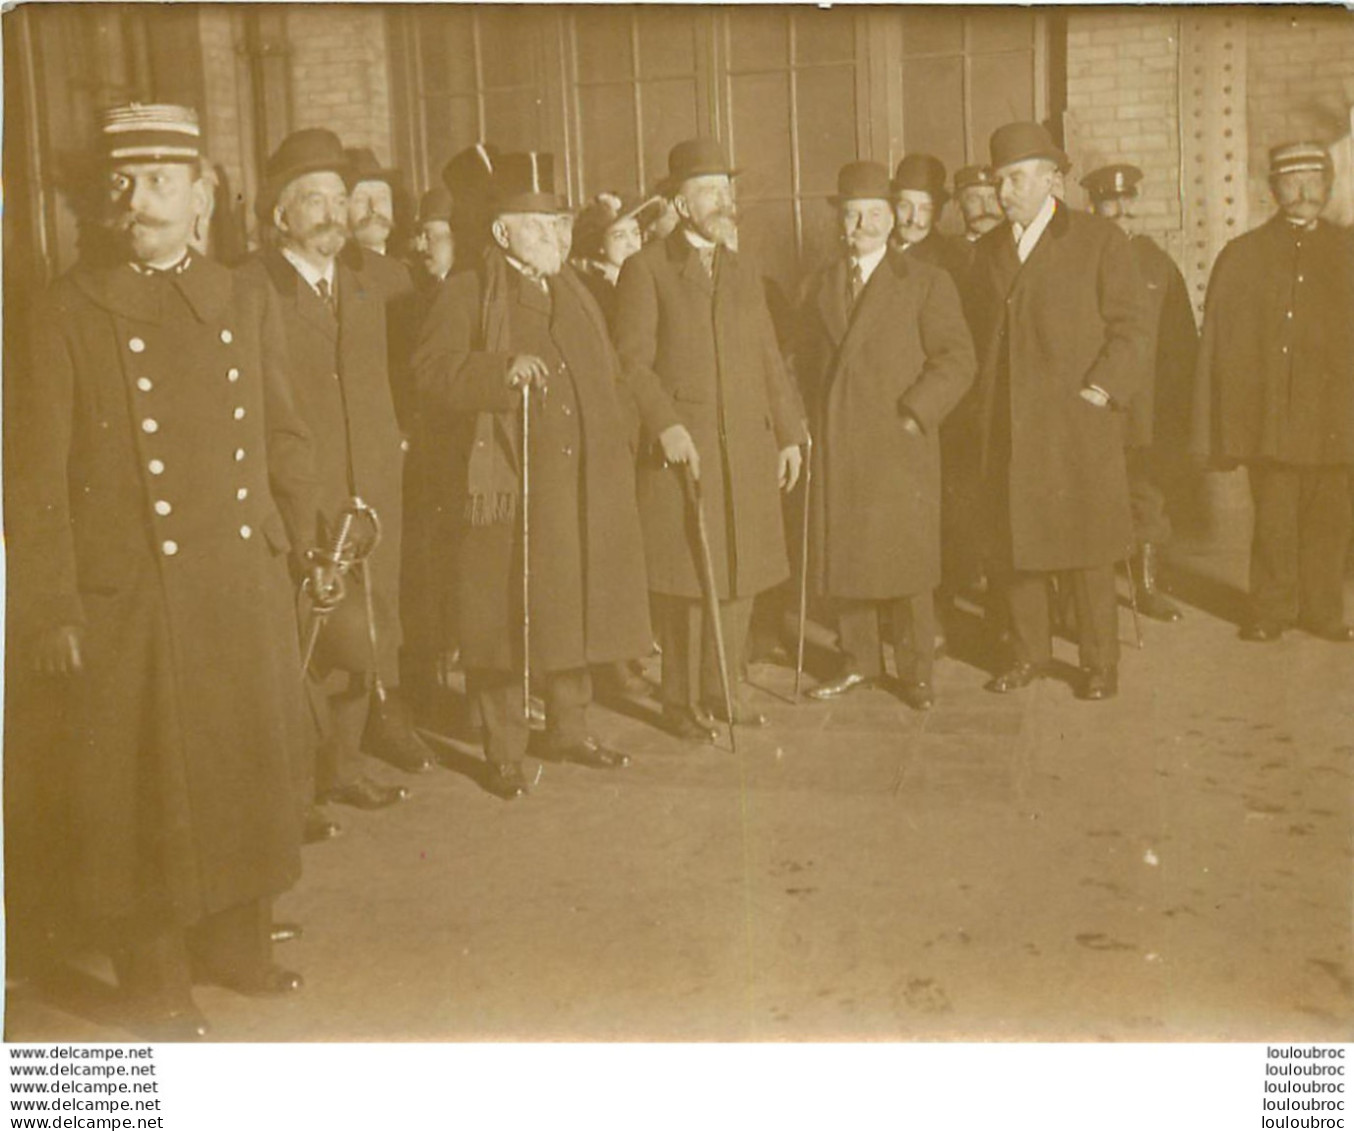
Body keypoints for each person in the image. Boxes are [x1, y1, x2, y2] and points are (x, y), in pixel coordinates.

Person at [7, 104, 316, 1039]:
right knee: (148, 784)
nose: (138, 203)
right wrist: (51, 604)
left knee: (242, 766)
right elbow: (35, 479)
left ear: (202, 196)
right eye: (125, 185)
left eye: (160, 183)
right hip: (133, 593)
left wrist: (298, 538)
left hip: (238, 580)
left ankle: (236, 942)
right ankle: (155, 971)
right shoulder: (68, 307)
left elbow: (283, 431)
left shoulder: (242, 295)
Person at [412, 152, 654, 798]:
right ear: (502, 233)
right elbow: (431, 369)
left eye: (561, 223)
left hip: (579, 485)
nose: (558, 237)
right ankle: (506, 748)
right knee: (504, 616)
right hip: (513, 486)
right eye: (541, 226)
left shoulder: (571, 289)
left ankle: (569, 727)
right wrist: (498, 372)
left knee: (570, 604)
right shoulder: (469, 290)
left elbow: (609, 373)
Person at [239, 127, 426, 820]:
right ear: (279, 214)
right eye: (312, 200)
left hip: (372, 480)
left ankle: (343, 763)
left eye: (340, 199)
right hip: (296, 485)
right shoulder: (249, 288)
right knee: (304, 624)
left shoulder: (369, 283)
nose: (331, 213)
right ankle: (295, 786)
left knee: (367, 620)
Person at [613, 137, 806, 740]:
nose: (725, 202)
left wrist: (792, 431)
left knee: (740, 572)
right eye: (709, 191)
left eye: (728, 190)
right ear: (677, 201)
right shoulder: (645, 270)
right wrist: (665, 423)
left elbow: (770, 356)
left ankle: (723, 691)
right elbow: (632, 363)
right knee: (686, 582)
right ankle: (678, 702)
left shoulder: (744, 268)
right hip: (685, 451)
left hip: (746, 447)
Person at [966, 121, 1150, 700]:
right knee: (1016, 547)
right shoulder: (989, 250)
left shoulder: (1098, 240)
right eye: (999, 182)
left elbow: (1132, 330)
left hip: (1075, 426)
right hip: (1011, 427)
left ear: (1051, 179)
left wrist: (1101, 389)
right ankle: (1028, 654)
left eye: (1016, 179)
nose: (1004, 193)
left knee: (1087, 551)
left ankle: (1100, 663)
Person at [797, 161, 976, 708]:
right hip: (838, 443)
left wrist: (915, 413)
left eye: (874, 215)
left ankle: (916, 671)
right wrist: (803, 420)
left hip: (899, 444)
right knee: (849, 558)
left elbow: (958, 360)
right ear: (839, 222)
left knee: (906, 565)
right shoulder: (819, 284)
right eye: (851, 216)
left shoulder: (924, 281)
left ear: (892, 218)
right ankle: (858, 662)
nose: (862, 226)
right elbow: (801, 360)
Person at [1193, 142, 1354, 643]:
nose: (1305, 191)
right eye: (1292, 180)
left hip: (1336, 414)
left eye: (1314, 179)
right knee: (1276, 518)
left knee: (1330, 519)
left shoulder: (1349, 251)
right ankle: (1270, 610)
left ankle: (1325, 612)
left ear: (1328, 186)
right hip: (1274, 419)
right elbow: (1223, 347)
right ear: (1272, 189)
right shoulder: (1244, 256)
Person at [1082, 163, 1199, 622]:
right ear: (1093, 208)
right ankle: (1084, 595)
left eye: (1126, 206)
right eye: (1109, 208)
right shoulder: (1077, 259)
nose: (1120, 215)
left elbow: (1179, 342)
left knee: (1146, 494)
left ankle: (1146, 586)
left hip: (1146, 406)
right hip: (1095, 401)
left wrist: (1177, 407)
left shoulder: (1157, 264)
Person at [570, 191, 660, 327]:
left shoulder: (649, 279)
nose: (631, 243)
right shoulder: (593, 290)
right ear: (600, 245)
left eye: (635, 233)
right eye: (619, 236)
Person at [890, 153, 971, 288]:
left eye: (924, 209)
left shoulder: (954, 258)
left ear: (937, 213)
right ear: (892, 207)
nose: (913, 219)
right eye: (904, 206)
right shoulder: (876, 248)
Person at [953, 164, 1004, 244]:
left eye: (993, 198)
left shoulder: (1019, 249)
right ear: (958, 205)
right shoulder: (947, 252)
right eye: (975, 199)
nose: (986, 208)